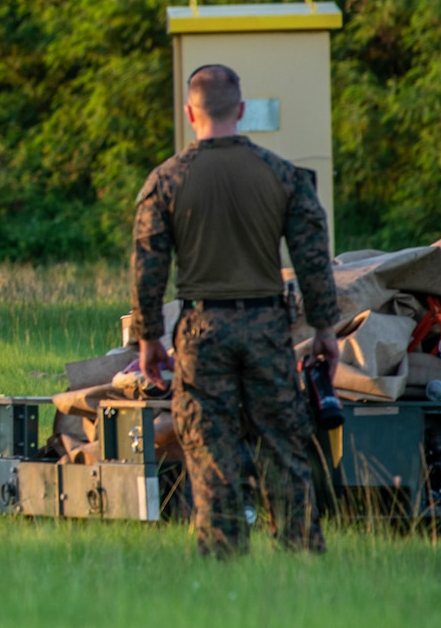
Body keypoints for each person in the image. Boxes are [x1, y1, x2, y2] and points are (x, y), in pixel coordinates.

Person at [133, 62, 340, 558]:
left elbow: (148, 266)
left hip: (202, 330)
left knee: (210, 447)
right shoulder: (283, 175)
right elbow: (313, 258)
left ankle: (223, 555)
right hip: (269, 326)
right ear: (241, 111)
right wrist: (325, 328)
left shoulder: (166, 180)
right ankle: (300, 552)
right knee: (285, 444)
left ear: (190, 112)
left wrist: (148, 337)